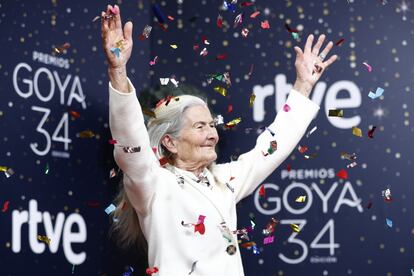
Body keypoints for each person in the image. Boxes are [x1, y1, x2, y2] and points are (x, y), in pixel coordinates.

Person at [101, 4, 337, 276]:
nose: (212, 134)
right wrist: (117, 71)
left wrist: (303, 85)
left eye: (212, 125)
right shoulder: (153, 184)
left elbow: (271, 147)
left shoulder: (223, 180)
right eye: (200, 126)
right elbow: (131, 144)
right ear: (170, 142)